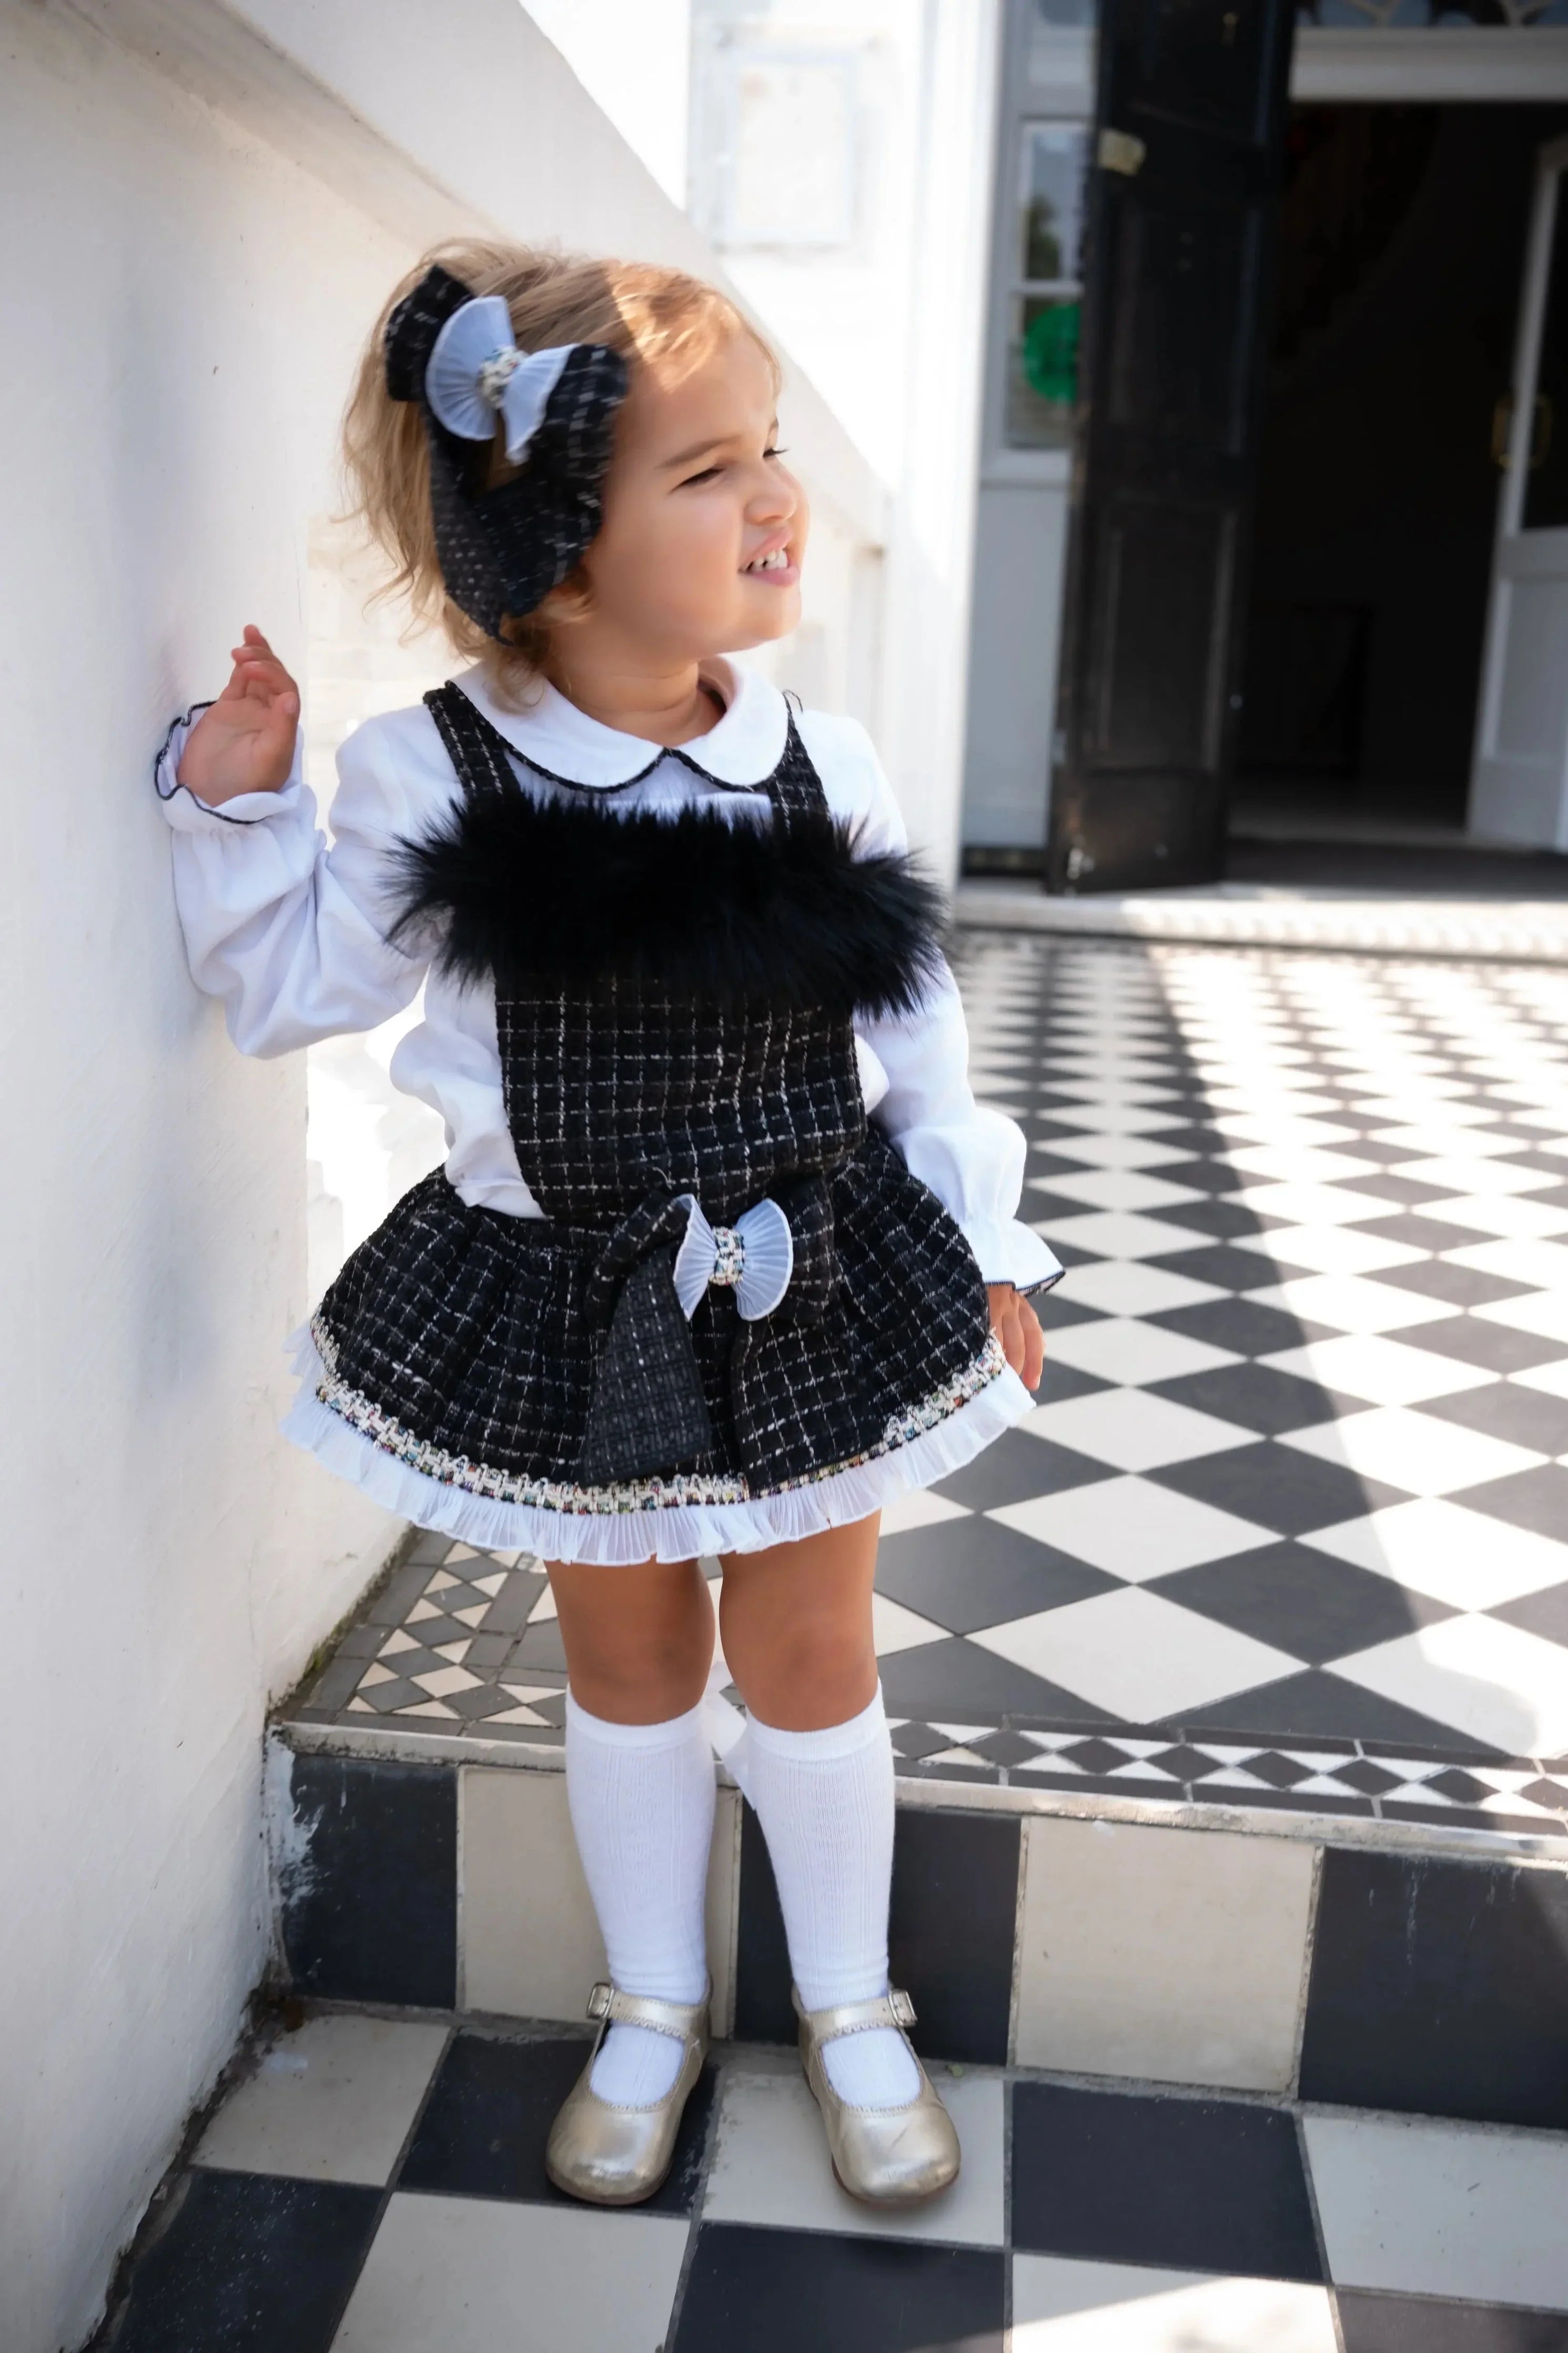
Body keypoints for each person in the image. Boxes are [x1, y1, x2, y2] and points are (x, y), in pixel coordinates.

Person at [156, 243, 1061, 2211]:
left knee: (816, 1646)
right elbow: (298, 992)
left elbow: (921, 1045)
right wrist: (240, 814)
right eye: (709, 471)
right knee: (631, 1658)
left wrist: (981, 1243)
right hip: (569, 1303)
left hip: (816, 1277)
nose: (774, 501)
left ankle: (849, 2002)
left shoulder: (822, 766)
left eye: (773, 452)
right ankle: (652, 1997)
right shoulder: (433, 767)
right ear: (557, 557)